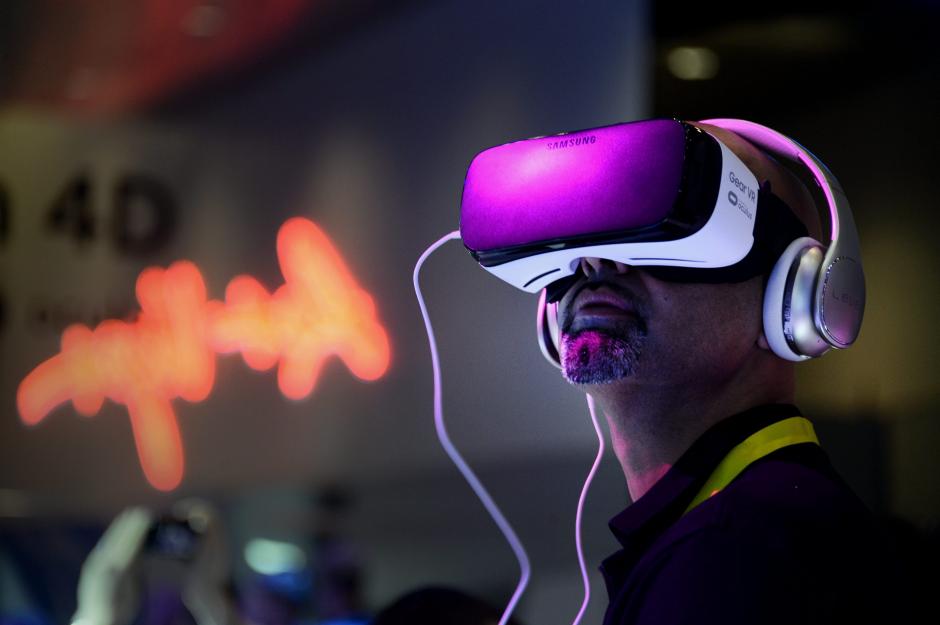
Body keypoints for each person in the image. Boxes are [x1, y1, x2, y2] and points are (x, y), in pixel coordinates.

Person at [545, 122, 905, 624]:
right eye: (595, 232)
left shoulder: (743, 548)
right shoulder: (735, 529)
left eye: (673, 227)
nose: (598, 261)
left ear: (793, 297)